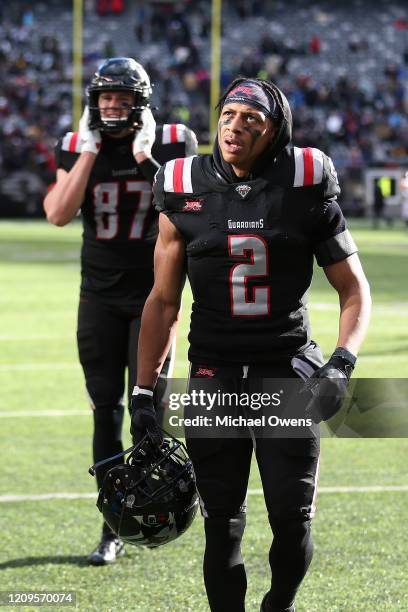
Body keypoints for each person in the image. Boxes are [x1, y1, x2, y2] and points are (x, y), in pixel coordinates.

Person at [130, 77, 371, 612]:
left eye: (251, 122)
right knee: (222, 521)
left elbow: (353, 289)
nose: (234, 129)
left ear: (274, 133)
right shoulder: (182, 183)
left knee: (290, 517)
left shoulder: (306, 180)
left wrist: (341, 363)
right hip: (214, 369)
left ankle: (278, 603)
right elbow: (163, 302)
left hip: (286, 368)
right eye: (229, 116)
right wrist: (144, 391)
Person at [43, 57, 197, 565]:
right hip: (99, 297)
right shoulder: (75, 143)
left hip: (155, 296)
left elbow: (192, 205)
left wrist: (146, 156)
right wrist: (89, 152)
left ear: (141, 101)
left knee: (144, 410)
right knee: (104, 411)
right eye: (105, 97)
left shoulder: (173, 140)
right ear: (94, 101)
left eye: (122, 97)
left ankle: (157, 512)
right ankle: (113, 523)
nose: (113, 105)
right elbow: (59, 214)